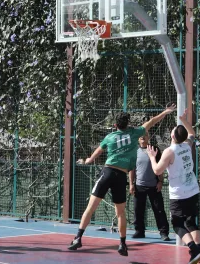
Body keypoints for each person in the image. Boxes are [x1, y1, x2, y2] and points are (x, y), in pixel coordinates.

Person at [68, 104, 176, 257]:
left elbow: (99, 150)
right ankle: (122, 244)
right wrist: (166, 111)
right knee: (120, 213)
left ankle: (78, 238)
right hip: (121, 176)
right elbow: (152, 121)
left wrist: (88, 160)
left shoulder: (110, 137)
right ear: (128, 123)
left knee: (90, 208)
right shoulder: (134, 133)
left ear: (115, 125)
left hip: (108, 172)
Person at [147, 108, 200, 264]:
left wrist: (152, 157)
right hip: (193, 190)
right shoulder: (187, 145)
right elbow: (192, 132)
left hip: (179, 194)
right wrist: (183, 119)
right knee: (191, 222)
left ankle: (195, 250)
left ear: (172, 136)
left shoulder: (169, 151)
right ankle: (198, 253)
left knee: (177, 224)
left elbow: (157, 170)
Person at [129, 132, 170, 241]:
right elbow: (132, 169)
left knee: (159, 210)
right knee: (138, 210)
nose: (142, 137)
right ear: (138, 139)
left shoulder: (154, 150)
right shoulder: (134, 152)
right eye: (140, 135)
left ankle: (164, 233)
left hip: (154, 186)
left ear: (149, 137)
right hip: (139, 186)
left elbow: (160, 166)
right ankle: (139, 231)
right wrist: (131, 184)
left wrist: (160, 181)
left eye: (145, 135)